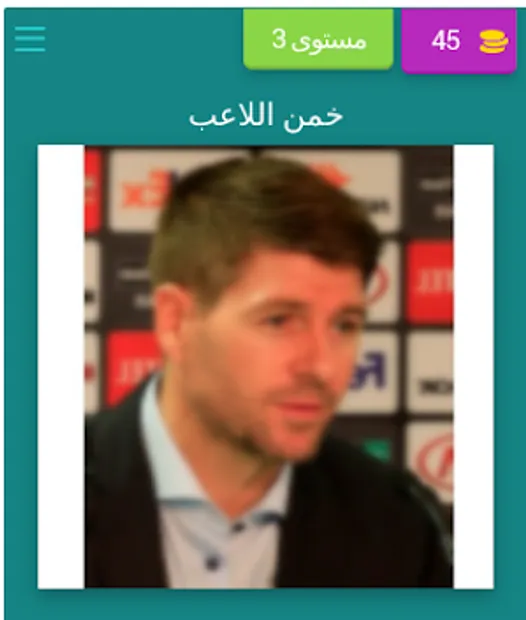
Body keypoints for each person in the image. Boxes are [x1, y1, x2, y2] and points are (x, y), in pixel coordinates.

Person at [85, 155, 452, 588]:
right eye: (279, 320)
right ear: (175, 321)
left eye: (344, 325)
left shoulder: (399, 525)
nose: (322, 366)